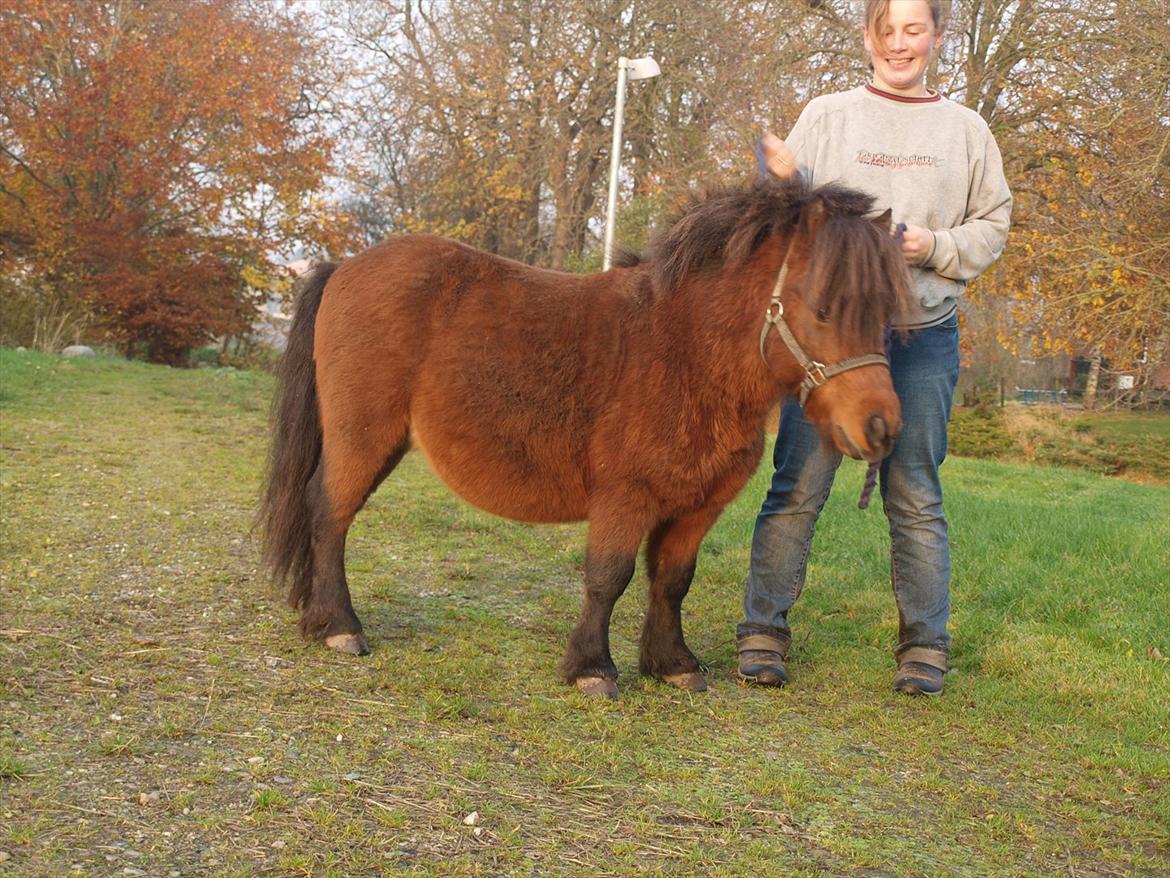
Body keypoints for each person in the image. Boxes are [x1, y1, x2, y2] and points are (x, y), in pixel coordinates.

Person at [737, 0, 1012, 696]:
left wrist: (935, 247)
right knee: (796, 486)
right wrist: (779, 178)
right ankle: (763, 631)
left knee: (915, 494)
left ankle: (924, 645)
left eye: (913, 29)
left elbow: (994, 223)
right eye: (886, 30)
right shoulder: (829, 116)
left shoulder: (967, 131)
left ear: (936, 38)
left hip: (922, 338)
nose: (899, 43)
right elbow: (787, 214)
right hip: (830, 342)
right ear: (867, 37)